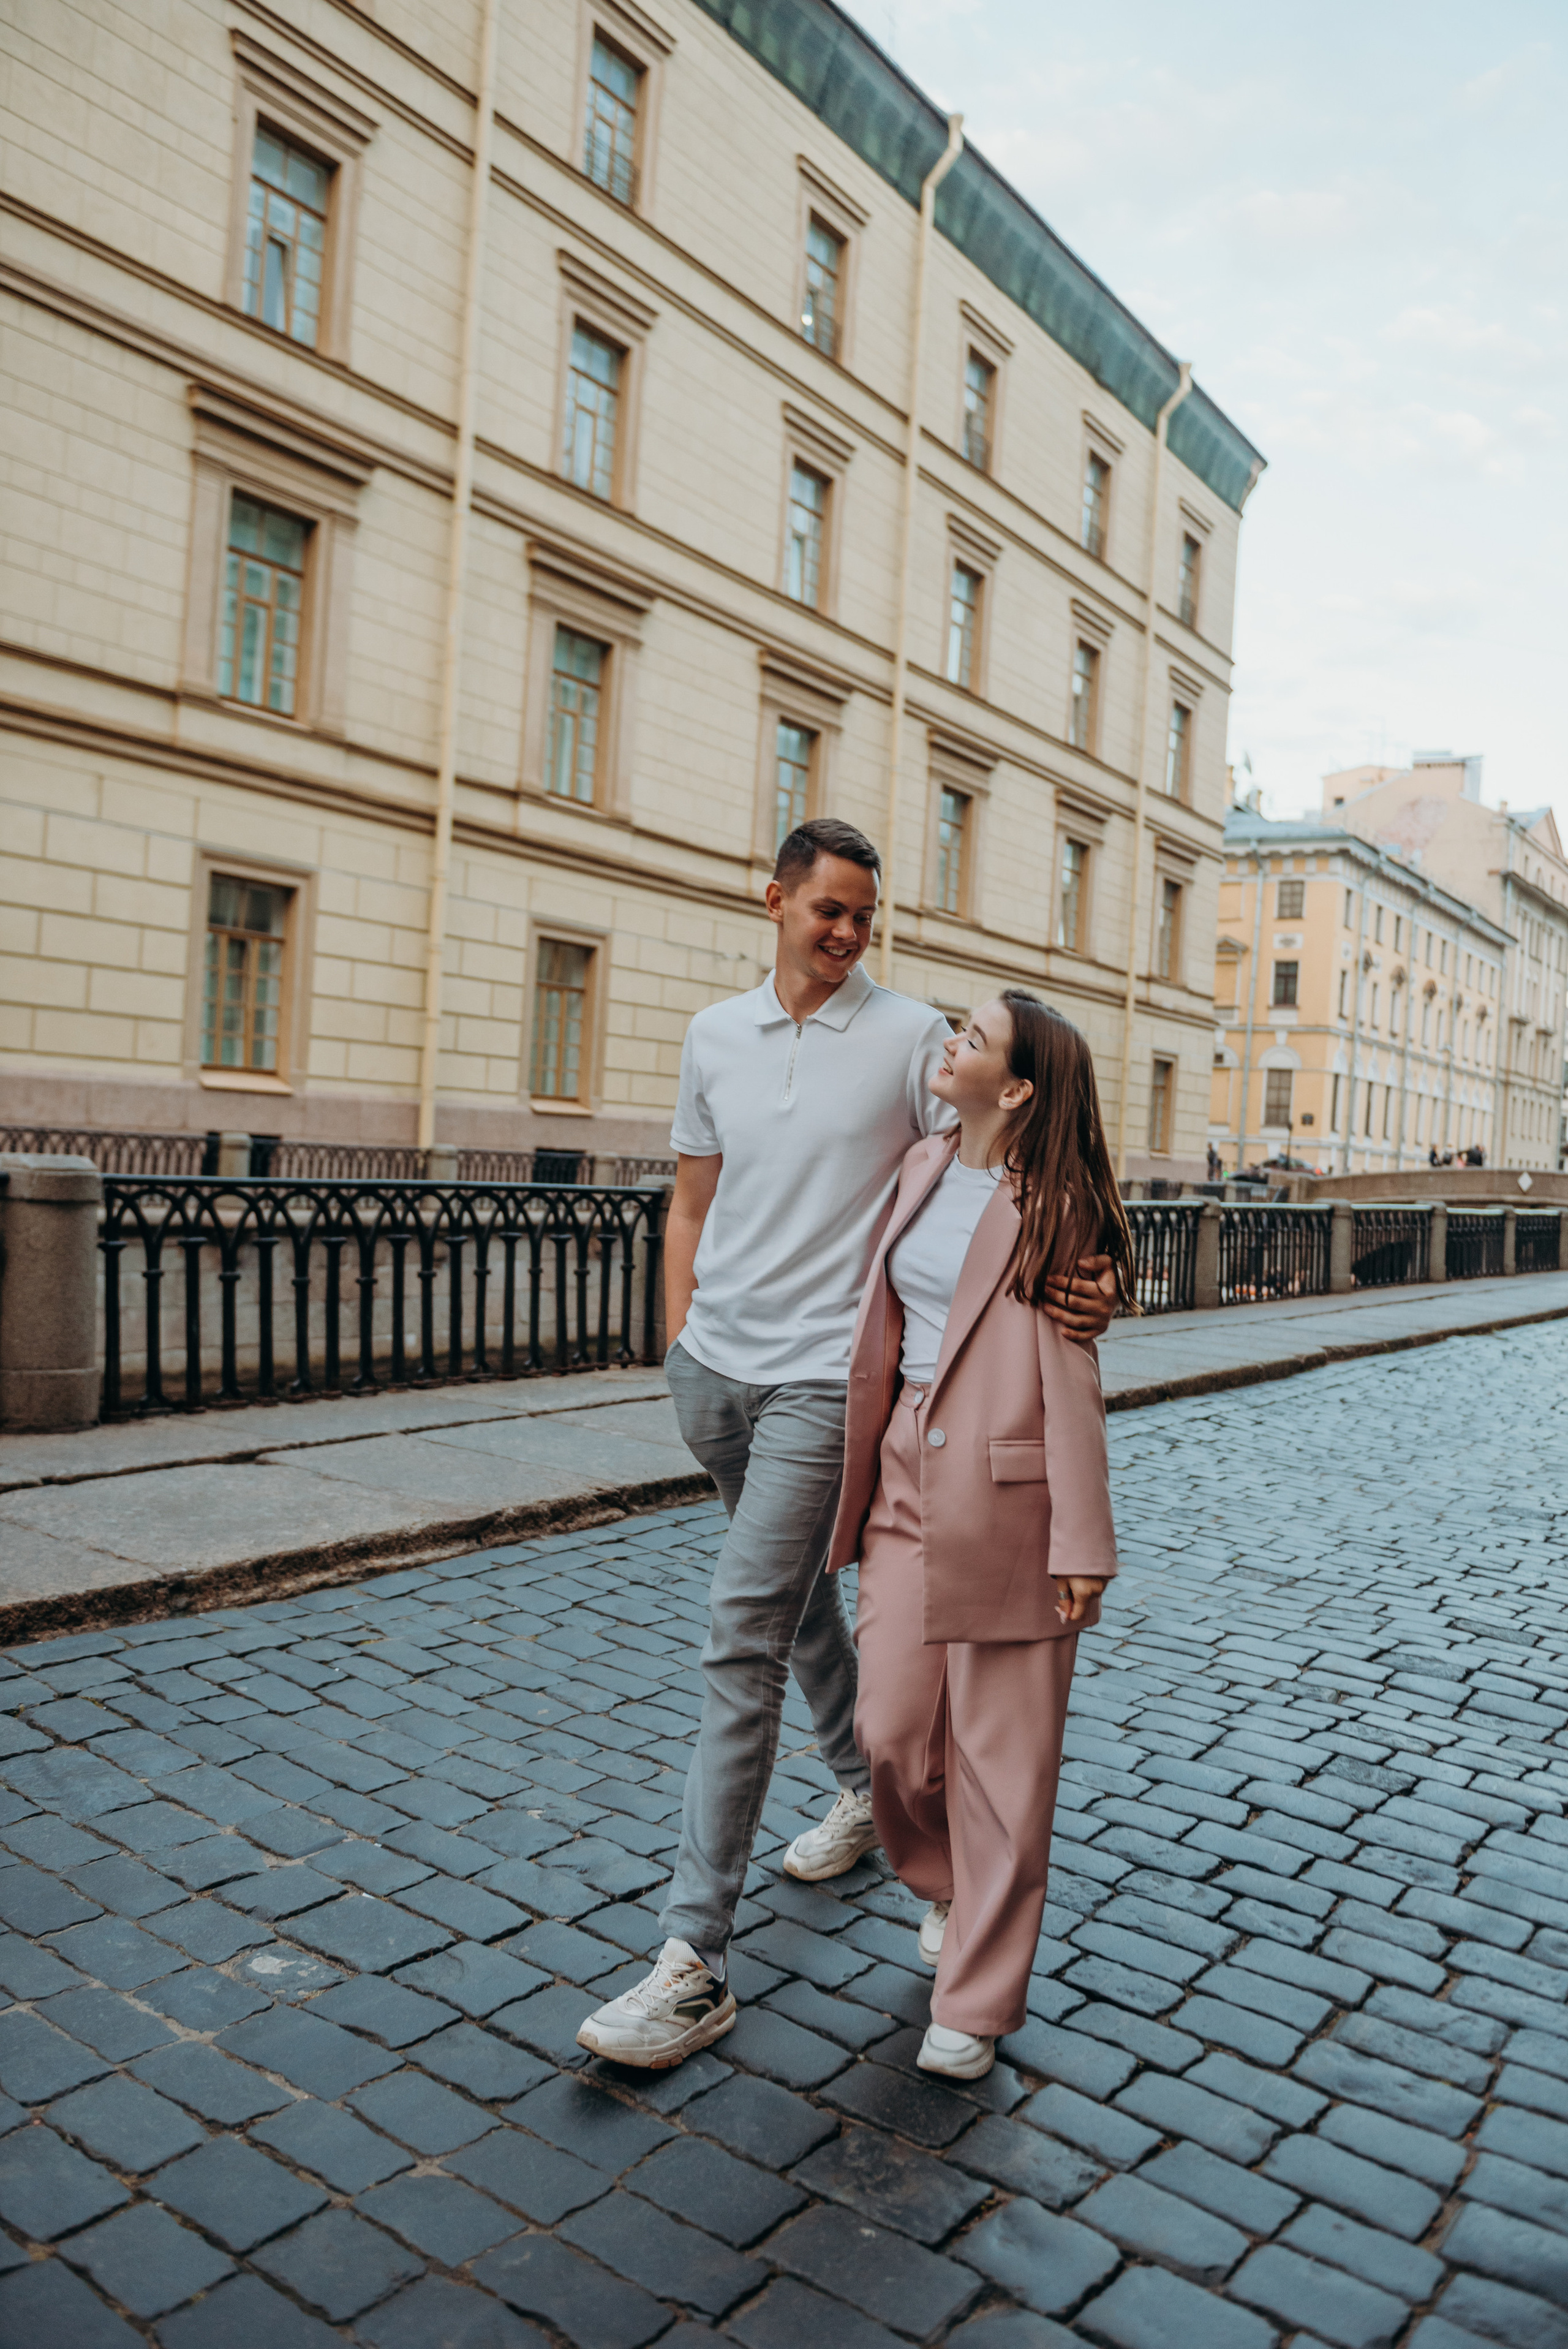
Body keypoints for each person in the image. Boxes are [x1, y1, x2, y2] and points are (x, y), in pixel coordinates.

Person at [576, 820, 1118, 2068]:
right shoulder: (714, 1034)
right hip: (720, 1376)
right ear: (772, 898)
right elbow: (692, 1199)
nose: (848, 932)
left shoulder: (913, 1038)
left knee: (742, 1632)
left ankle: (694, 1958)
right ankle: (862, 1793)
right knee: (806, 1610)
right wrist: (679, 1341)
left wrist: (1090, 1276)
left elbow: (1025, 1143)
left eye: (865, 915)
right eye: (828, 909)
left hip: (828, 1389)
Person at [832, 991, 1130, 2079]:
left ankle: (976, 1997)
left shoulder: (1055, 1206)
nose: (950, 1043)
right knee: (889, 1731)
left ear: (1015, 1089)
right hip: (905, 1472)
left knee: (1004, 1761)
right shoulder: (920, 1163)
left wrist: (1082, 1542)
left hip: (1014, 1496)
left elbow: (1073, 1377)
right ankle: (948, 1881)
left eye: (973, 1038)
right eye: (956, 1027)